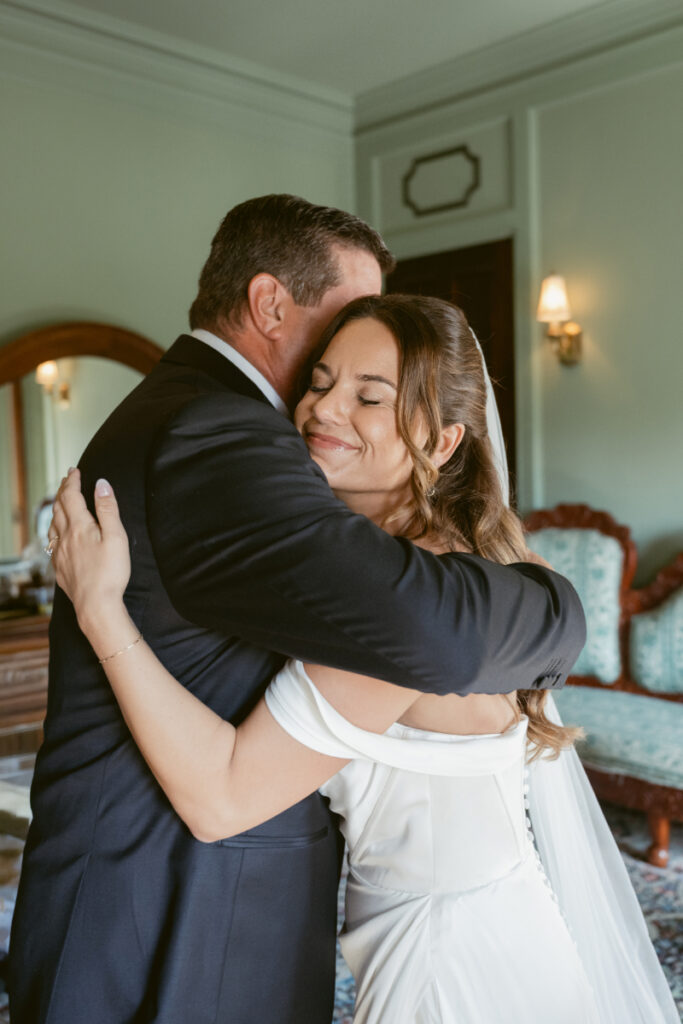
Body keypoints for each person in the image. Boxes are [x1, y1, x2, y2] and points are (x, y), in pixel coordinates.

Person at [9, 197, 587, 1024]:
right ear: (271, 303)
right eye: (323, 376)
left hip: (446, 958)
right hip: (178, 903)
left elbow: (418, 628)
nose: (321, 409)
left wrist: (557, 610)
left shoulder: (395, 579)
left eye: (368, 395)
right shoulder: (220, 429)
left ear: (443, 438)